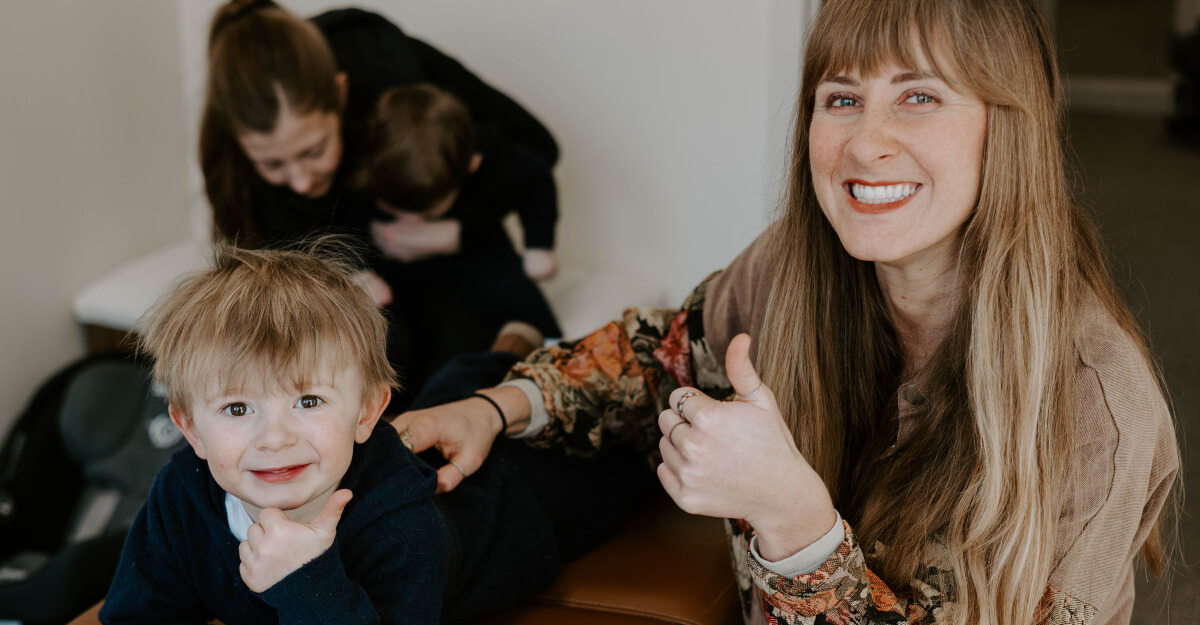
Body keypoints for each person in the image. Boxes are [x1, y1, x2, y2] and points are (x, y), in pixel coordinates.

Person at [392, 1, 1180, 624]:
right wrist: (500, 405)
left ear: (1005, 129)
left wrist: (794, 519)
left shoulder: (1095, 408)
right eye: (841, 97)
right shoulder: (790, 267)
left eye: (918, 96)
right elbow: (660, 354)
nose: (866, 143)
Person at [97, 242, 646, 625]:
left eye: (307, 400)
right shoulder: (181, 496)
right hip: (404, 440)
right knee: (449, 390)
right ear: (189, 428)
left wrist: (304, 580)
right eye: (237, 408)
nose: (274, 438)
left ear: (367, 413)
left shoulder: (405, 531)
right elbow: (139, 612)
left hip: (519, 499)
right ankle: (508, 345)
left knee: (621, 455)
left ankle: (517, 347)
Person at [199, 0, 562, 407]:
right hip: (348, 272)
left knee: (457, 376)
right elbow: (252, 256)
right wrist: (333, 277)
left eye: (313, 151)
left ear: (340, 93)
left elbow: (533, 149)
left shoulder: (389, 70)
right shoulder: (226, 154)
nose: (300, 182)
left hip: (431, 255)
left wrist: (457, 233)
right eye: (272, 165)